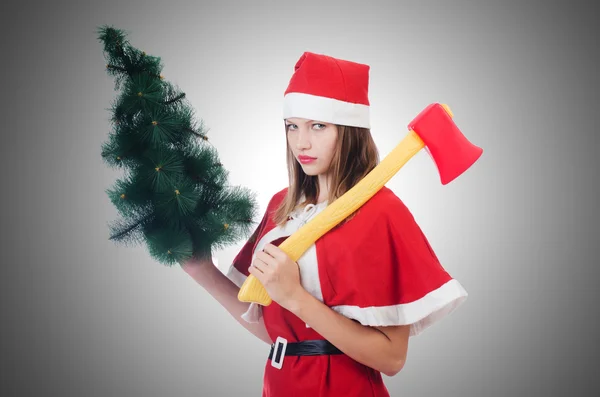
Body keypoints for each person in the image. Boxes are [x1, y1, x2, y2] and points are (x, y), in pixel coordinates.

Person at [181, 51, 468, 397]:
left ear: (349, 130)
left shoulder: (383, 213)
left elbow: (392, 358)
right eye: (293, 126)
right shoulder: (281, 206)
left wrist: (296, 297)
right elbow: (276, 333)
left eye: (318, 126)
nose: (302, 142)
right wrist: (202, 271)